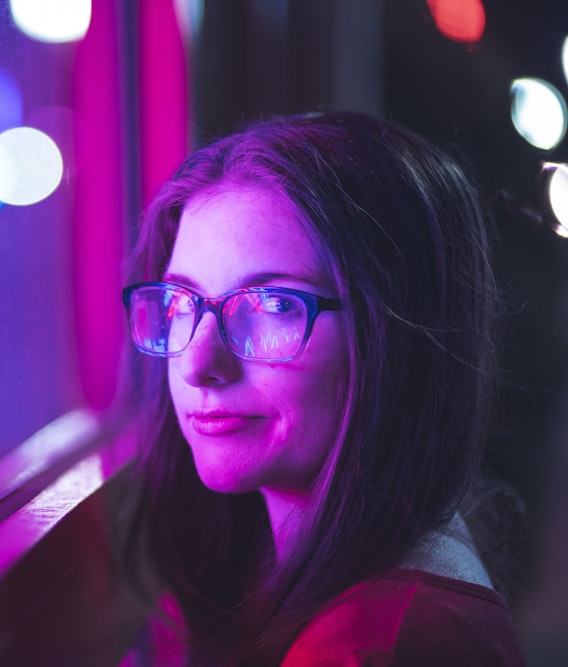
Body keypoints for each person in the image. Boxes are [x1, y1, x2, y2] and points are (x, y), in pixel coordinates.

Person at [120, 111, 526, 665]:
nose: (197, 364)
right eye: (180, 301)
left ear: (393, 334)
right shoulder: (314, 572)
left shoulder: (374, 643)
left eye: (273, 305)